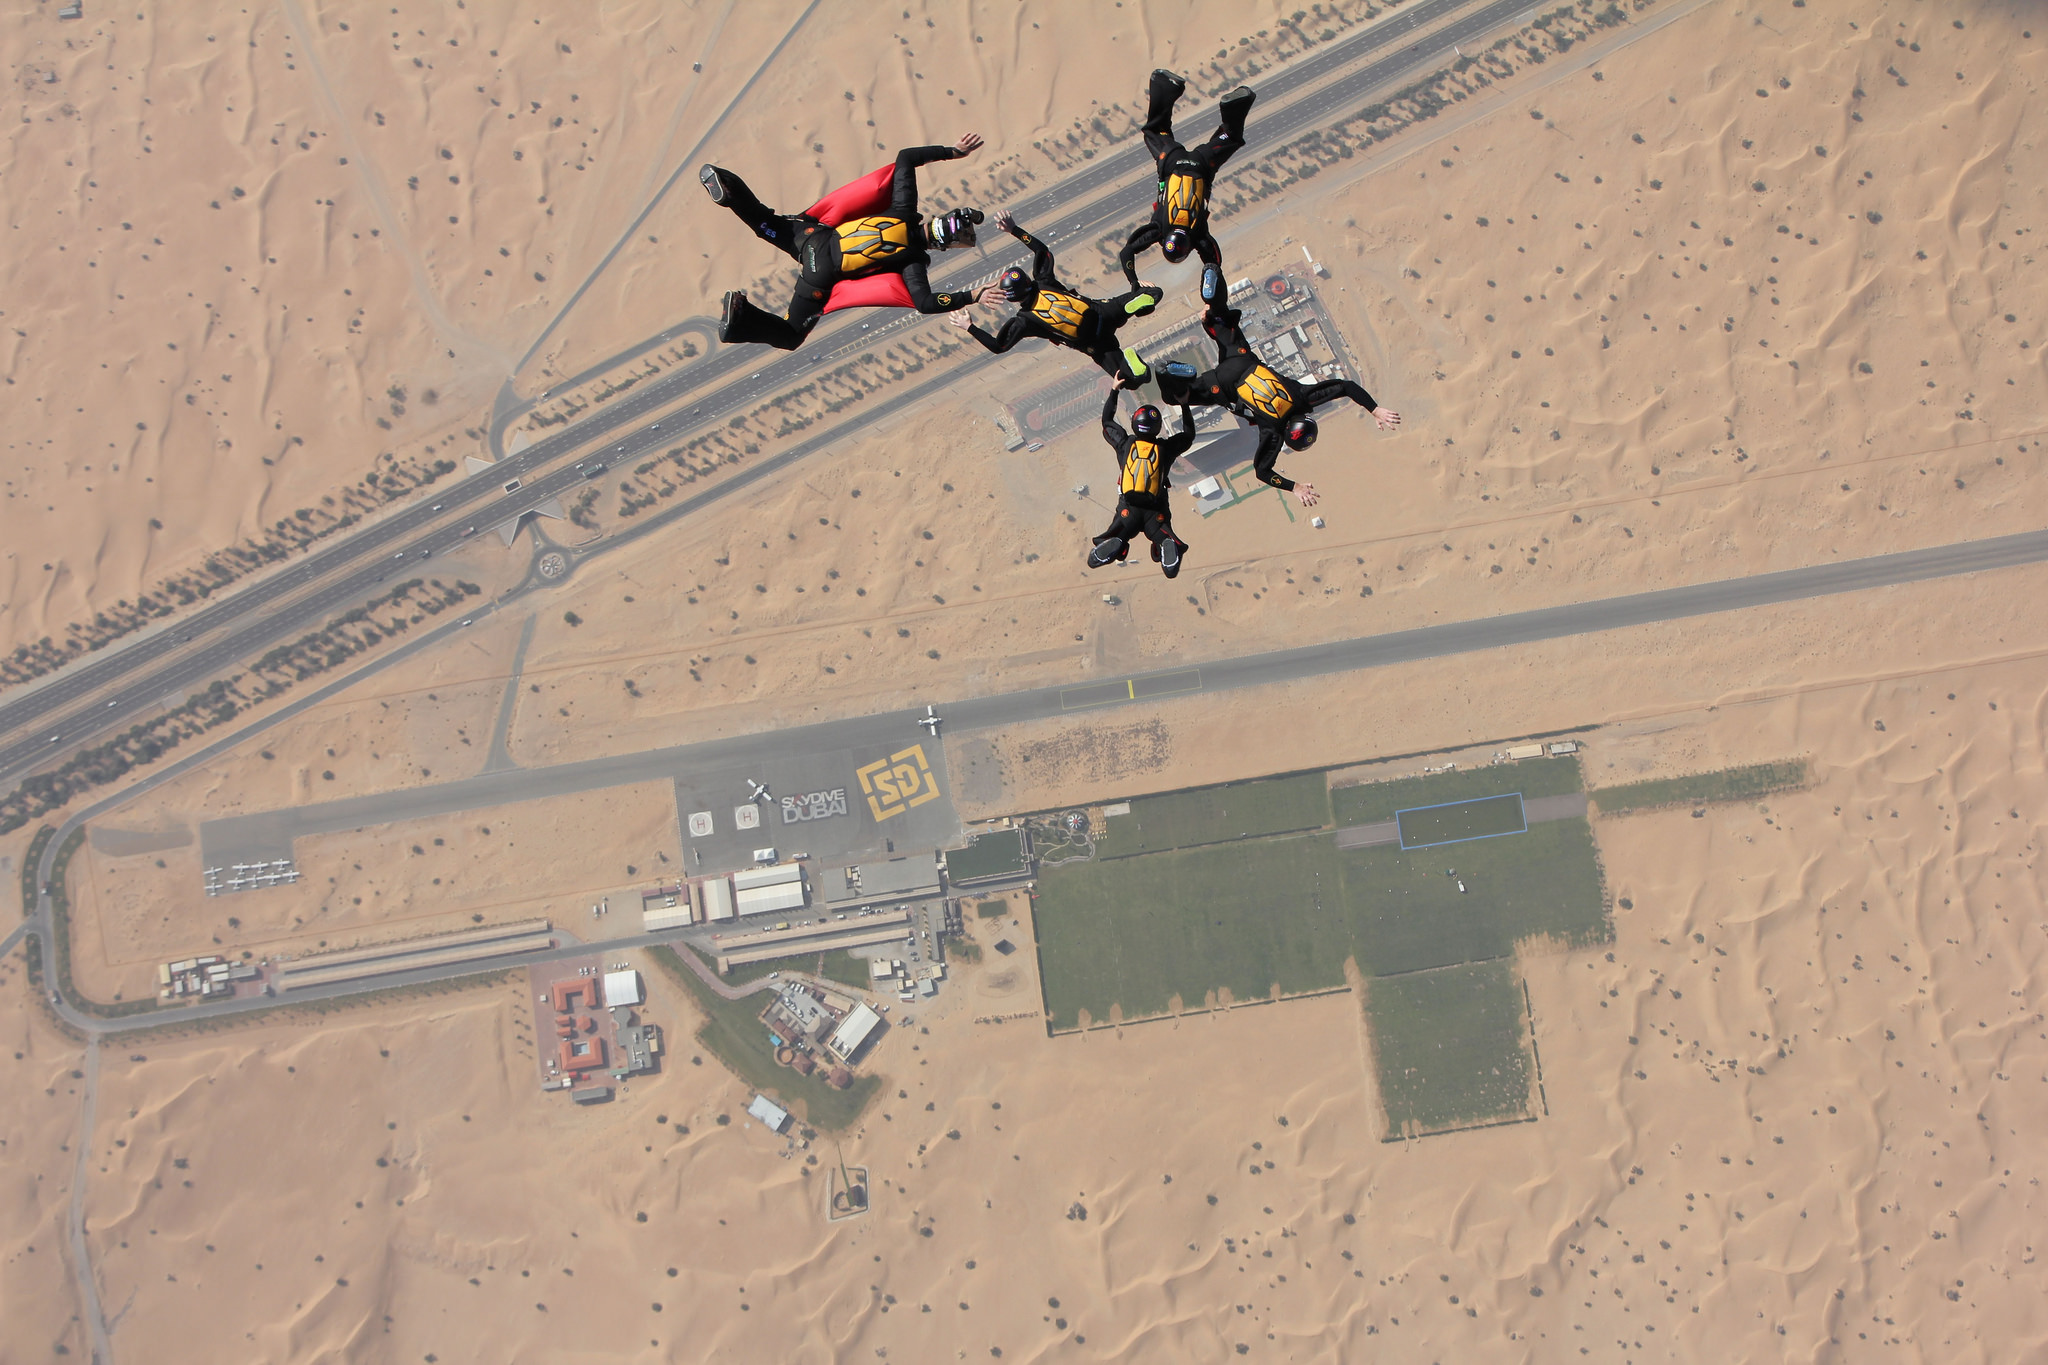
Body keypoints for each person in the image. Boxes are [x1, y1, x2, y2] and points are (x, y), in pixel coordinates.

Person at [702, 134, 987, 351]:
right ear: (945, 245)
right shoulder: (913, 263)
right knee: (791, 336)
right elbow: (925, 303)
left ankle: (727, 187)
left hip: (810, 238)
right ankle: (738, 322)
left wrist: (953, 152)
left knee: (764, 222)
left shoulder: (903, 209)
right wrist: (973, 295)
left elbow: (906, 158)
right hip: (818, 279)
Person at [1163, 298, 1400, 508]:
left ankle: (1211, 311)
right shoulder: (1273, 432)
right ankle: (1170, 374)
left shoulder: (1303, 398)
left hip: (1242, 360)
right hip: (1220, 386)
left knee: (1224, 325)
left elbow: (1346, 386)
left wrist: (1375, 409)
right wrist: (1294, 487)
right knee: (1175, 398)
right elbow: (1262, 472)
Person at [949, 212, 1162, 384]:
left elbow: (998, 346)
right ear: (1026, 280)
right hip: (1102, 312)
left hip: (1095, 344)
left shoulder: (1024, 321)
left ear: (1012, 299)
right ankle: (1135, 302)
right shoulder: (1044, 281)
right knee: (1154, 293)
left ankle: (1130, 364)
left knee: (1132, 380)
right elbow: (1042, 250)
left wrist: (969, 326)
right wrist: (1014, 229)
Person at [1117, 70, 1255, 290]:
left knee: (1230, 137)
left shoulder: (1198, 235)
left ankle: (1236, 106)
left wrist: (1210, 291)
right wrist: (1133, 281)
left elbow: (1213, 262)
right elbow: (1127, 251)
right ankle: (1165, 84)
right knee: (1155, 130)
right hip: (1171, 160)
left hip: (1203, 164)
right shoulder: (1159, 229)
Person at [1087, 378, 1198, 578]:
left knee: (1118, 532)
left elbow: (1107, 421)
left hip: (1128, 509)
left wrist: (1114, 390)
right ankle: (1166, 544)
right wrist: (1184, 404)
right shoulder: (1165, 449)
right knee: (1162, 534)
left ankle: (1116, 540)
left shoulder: (1124, 444)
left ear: (1134, 424)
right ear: (1157, 427)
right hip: (1155, 511)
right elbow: (1188, 435)